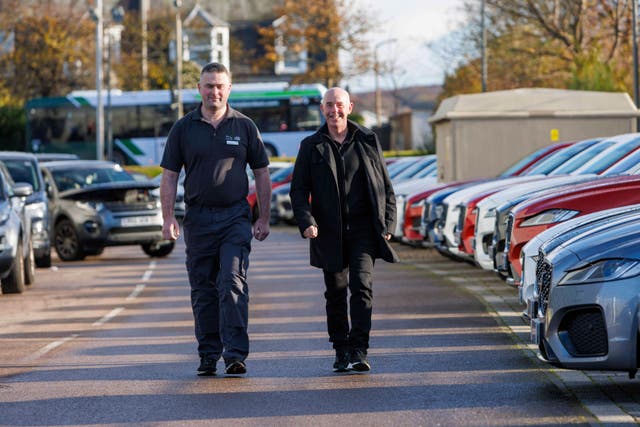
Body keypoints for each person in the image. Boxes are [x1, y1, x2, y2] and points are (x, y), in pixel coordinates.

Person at [160, 62, 271, 377]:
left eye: (220, 85)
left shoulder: (245, 126)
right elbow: (169, 176)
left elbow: (261, 173)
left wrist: (264, 217)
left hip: (235, 217)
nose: (215, 91)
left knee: (232, 282)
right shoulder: (183, 128)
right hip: (198, 219)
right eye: (209, 85)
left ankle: (235, 355)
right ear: (199, 88)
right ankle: (208, 354)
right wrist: (168, 218)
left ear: (230, 88)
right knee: (203, 289)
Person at [289, 87, 398, 373]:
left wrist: (388, 224)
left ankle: (359, 349)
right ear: (322, 109)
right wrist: (306, 221)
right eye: (328, 105)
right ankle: (340, 349)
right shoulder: (311, 145)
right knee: (335, 292)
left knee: (362, 287)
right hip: (328, 232)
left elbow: (385, 186)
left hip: (363, 230)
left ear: (350, 106)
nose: (333, 110)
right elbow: (298, 190)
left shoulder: (367, 139)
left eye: (339, 104)